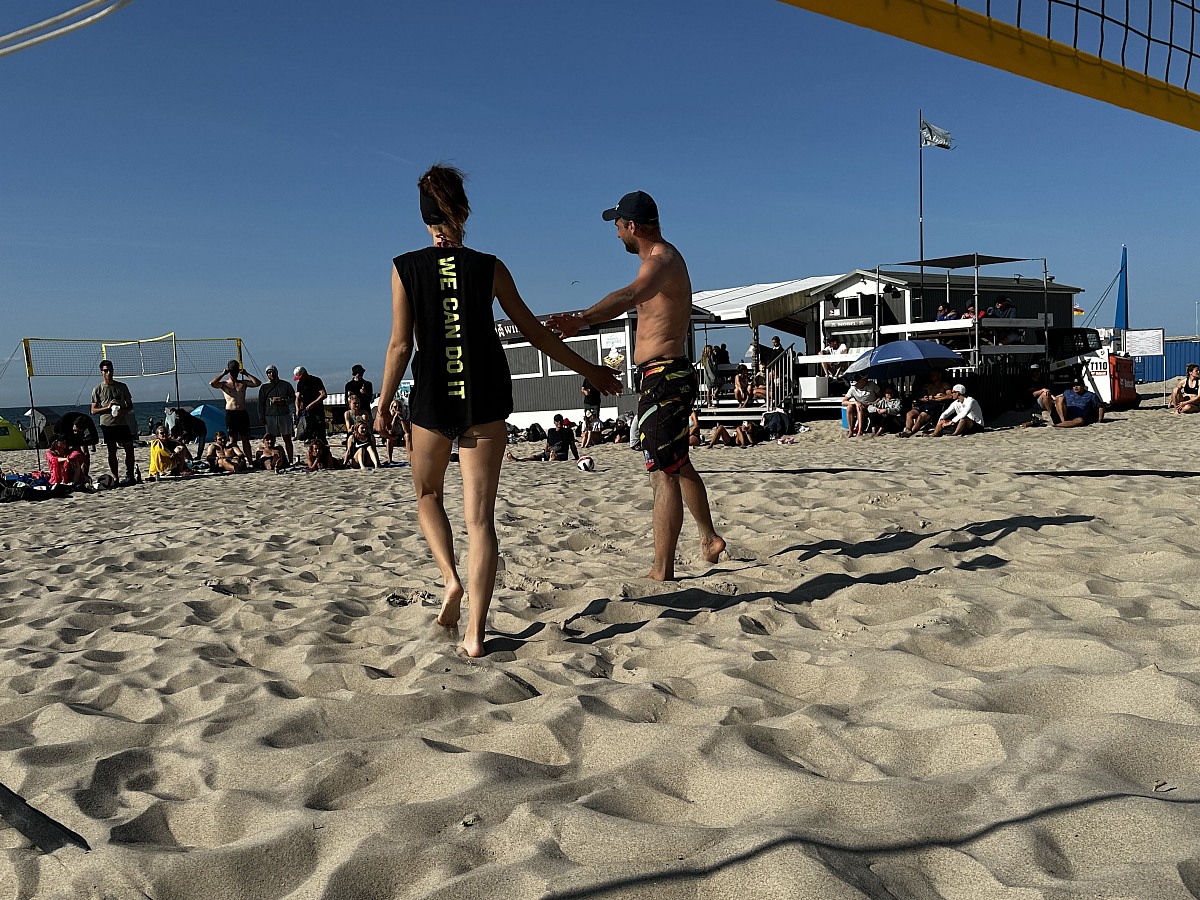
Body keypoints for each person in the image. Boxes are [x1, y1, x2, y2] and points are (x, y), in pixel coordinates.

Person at [374, 164, 620, 658]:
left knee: (427, 494)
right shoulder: (489, 267)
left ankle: (450, 579)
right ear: (463, 213)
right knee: (480, 522)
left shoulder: (405, 267)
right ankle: (475, 634)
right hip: (483, 397)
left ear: (424, 219)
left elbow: (400, 345)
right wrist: (590, 371)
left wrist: (382, 404)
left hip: (432, 398)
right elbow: (534, 332)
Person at [547, 188, 724, 582]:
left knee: (662, 473)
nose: (615, 234)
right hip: (664, 375)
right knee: (678, 463)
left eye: (618, 225)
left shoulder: (661, 261)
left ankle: (662, 569)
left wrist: (582, 319)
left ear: (633, 226)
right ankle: (709, 538)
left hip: (665, 376)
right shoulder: (661, 260)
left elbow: (629, 295)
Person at [89, 359, 137, 485]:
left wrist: (123, 411)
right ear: (101, 372)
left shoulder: (122, 386)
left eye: (110, 370)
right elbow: (93, 410)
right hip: (107, 424)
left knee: (129, 448)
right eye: (106, 371)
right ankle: (116, 478)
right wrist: (108, 407)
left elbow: (130, 406)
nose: (109, 373)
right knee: (112, 450)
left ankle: (130, 475)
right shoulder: (98, 389)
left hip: (122, 422)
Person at [209, 360, 261, 459]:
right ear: (229, 371)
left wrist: (246, 374)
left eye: (236, 372)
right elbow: (212, 383)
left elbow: (257, 383)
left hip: (242, 413)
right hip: (231, 414)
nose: (234, 374)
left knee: (245, 439)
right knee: (233, 440)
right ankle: (234, 460)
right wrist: (223, 373)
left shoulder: (242, 383)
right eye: (232, 372)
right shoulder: (224, 384)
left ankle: (250, 461)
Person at [258, 365, 296, 462]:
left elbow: (293, 397)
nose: (271, 374)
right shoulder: (264, 387)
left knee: (287, 438)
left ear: (276, 372)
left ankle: (290, 460)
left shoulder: (285, 385)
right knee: (270, 439)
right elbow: (260, 403)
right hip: (270, 415)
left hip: (284, 414)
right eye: (269, 372)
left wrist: (284, 401)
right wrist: (261, 416)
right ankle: (273, 459)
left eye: (272, 372)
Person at [901, 370, 954, 436]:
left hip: (936, 405)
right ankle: (908, 430)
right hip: (926, 404)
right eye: (931, 375)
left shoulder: (944, 385)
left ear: (939, 375)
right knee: (909, 414)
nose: (932, 377)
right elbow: (920, 396)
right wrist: (924, 398)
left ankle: (910, 433)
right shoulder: (929, 386)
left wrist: (936, 398)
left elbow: (950, 396)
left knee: (921, 416)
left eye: (934, 375)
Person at [1039, 379, 1106, 427]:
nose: (1075, 387)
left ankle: (1058, 425)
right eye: (1074, 385)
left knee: (1080, 420)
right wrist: (1051, 395)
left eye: (1078, 385)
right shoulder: (1067, 392)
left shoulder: (1091, 395)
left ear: (1083, 385)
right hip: (1064, 414)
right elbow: (1058, 401)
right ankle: (1063, 422)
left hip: (1077, 417)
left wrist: (1100, 419)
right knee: (1060, 398)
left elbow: (1100, 407)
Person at [54, 412, 98, 480]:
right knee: (66, 454)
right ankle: (66, 474)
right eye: (75, 430)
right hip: (61, 431)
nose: (75, 433)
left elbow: (95, 439)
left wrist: (83, 441)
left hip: (80, 435)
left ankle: (84, 475)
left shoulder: (88, 421)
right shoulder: (65, 420)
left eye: (78, 431)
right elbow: (62, 439)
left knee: (85, 454)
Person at [293, 366, 328, 440]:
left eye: (300, 377)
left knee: (320, 433)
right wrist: (297, 408)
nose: (299, 379)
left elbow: (323, 394)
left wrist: (313, 404)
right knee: (308, 433)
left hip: (317, 411)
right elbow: (298, 397)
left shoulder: (316, 380)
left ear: (305, 374)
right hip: (306, 413)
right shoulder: (300, 383)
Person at [385, 397, 411, 463]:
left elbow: (406, 431)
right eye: (395, 407)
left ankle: (410, 459)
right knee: (389, 438)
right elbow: (390, 431)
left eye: (399, 407)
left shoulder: (405, 415)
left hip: (402, 436)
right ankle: (389, 459)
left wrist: (401, 419)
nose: (397, 409)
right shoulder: (388, 416)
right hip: (393, 437)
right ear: (392, 408)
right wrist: (394, 418)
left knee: (407, 435)